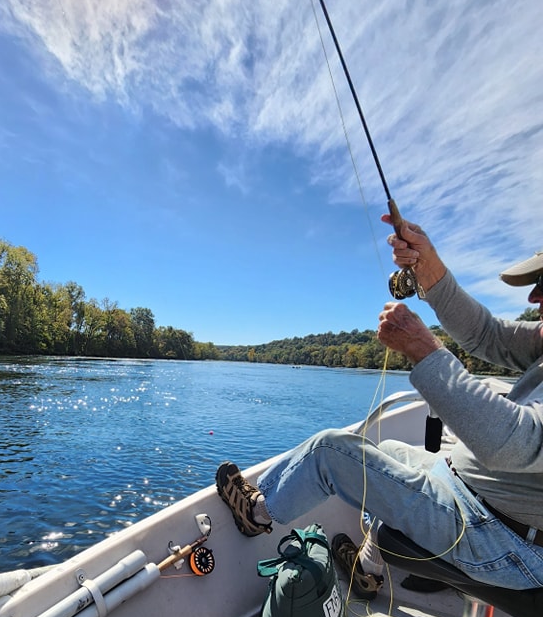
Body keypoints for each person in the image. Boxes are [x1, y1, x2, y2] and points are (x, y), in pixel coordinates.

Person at [216, 216, 543, 591]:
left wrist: (425, 350)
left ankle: (256, 514)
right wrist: (427, 263)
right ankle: (368, 568)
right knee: (386, 450)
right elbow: (487, 334)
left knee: (330, 453)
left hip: (505, 540)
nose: (533, 298)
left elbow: (513, 443)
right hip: (490, 506)